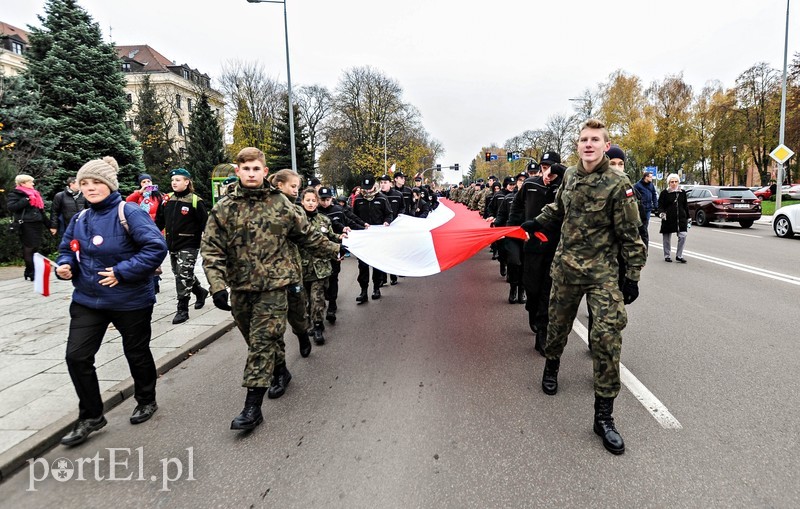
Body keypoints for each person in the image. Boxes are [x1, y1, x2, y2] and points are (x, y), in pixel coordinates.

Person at [522, 119, 646, 455]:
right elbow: (558, 207)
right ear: (577, 146)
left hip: (603, 272)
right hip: (566, 267)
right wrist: (537, 221)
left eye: (595, 140)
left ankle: (603, 417)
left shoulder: (619, 183)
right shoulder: (572, 176)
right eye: (583, 140)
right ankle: (552, 366)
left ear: (606, 146)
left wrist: (632, 276)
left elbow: (631, 235)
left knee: (607, 337)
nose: (588, 144)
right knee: (557, 327)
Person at [201, 148, 339, 431]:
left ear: (265, 172)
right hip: (240, 287)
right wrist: (216, 286)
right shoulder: (223, 208)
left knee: (263, 342)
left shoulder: (281, 204)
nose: (251, 173)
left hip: (275, 286)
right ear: (238, 171)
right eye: (246, 168)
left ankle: (252, 408)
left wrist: (337, 249)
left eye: (256, 169)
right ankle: (280, 371)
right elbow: (211, 248)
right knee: (256, 341)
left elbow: (309, 236)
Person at [55, 156, 168, 446]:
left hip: (129, 299)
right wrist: (65, 265)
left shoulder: (128, 211)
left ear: (109, 185)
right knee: (76, 356)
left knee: (136, 351)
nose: (91, 188)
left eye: (97, 182)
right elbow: (67, 248)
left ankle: (146, 399)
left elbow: (155, 247)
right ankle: (92, 415)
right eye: (85, 183)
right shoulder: (80, 218)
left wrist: (121, 272)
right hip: (88, 299)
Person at [509, 163, 565, 352]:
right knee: (531, 286)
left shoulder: (565, 187)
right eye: (544, 167)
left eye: (552, 169)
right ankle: (532, 309)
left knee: (547, 291)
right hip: (532, 245)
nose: (547, 172)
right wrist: (513, 230)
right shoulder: (530, 185)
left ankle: (543, 332)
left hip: (554, 247)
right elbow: (516, 207)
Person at [269, 169, 314, 361]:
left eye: (298, 187)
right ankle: (280, 368)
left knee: (298, 311)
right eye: (293, 186)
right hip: (271, 273)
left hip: (293, 270)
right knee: (273, 324)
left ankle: (303, 335)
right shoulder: (270, 206)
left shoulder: (295, 209)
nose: (296, 191)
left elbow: (307, 235)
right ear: (280, 185)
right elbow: (275, 232)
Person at [155, 168, 209, 324]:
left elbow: (205, 224)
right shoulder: (167, 200)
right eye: (173, 180)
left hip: (190, 244)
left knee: (183, 275)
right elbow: (159, 221)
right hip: (172, 244)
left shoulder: (195, 201)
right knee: (178, 272)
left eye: (178, 180)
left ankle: (182, 309)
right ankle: (200, 291)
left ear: (187, 182)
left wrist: (208, 240)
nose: (174, 183)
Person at [299, 187, 343, 346]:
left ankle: (317, 326)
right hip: (302, 269)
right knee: (305, 302)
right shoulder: (296, 220)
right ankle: (311, 323)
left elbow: (331, 237)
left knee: (317, 299)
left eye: (313, 200)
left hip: (321, 268)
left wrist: (341, 237)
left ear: (317, 202)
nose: (311, 203)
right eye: (307, 200)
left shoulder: (324, 220)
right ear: (302, 201)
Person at [317, 186, 367, 324]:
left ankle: (332, 306)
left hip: (335, 248)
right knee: (321, 280)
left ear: (331, 199)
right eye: (322, 199)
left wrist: (363, 227)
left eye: (327, 199)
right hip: (319, 250)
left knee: (334, 276)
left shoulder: (338, 211)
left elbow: (348, 223)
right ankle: (324, 300)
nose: (325, 202)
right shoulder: (315, 212)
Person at [352, 174, 393, 303]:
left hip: (377, 237)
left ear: (374, 186)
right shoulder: (358, 199)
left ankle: (376, 288)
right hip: (363, 237)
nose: (368, 191)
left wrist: (387, 221)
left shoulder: (382, 198)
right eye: (365, 188)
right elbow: (354, 216)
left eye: (370, 188)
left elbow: (389, 214)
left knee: (376, 264)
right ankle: (363, 291)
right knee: (362, 265)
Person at [7, 174, 49, 281]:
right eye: (30, 182)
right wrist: (26, 199)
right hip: (26, 224)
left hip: (37, 224)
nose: (33, 184)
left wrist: (50, 225)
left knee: (35, 248)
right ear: (23, 183)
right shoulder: (16, 194)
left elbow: (41, 211)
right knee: (29, 248)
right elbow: (11, 207)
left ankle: (28, 271)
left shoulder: (35, 194)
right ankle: (32, 272)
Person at [658, 173, 690, 263]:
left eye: (676, 181)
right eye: (672, 182)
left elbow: (685, 205)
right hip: (668, 218)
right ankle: (667, 255)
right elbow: (660, 205)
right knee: (667, 238)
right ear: (669, 183)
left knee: (683, 236)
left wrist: (688, 217)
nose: (674, 183)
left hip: (681, 218)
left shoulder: (682, 193)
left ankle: (679, 255)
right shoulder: (664, 193)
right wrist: (661, 213)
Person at [49, 176, 87, 240]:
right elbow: (54, 212)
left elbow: (90, 209)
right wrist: (53, 226)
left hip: (82, 225)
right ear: (71, 184)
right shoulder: (60, 196)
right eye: (78, 183)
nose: (81, 186)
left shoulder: (84, 195)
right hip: (65, 226)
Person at [633, 169, 658, 239]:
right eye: (650, 177)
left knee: (645, 224)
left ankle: (644, 238)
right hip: (640, 208)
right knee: (640, 224)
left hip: (648, 208)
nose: (651, 178)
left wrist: (656, 205)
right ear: (646, 177)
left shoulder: (651, 185)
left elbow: (654, 195)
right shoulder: (638, 185)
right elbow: (634, 196)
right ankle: (638, 237)